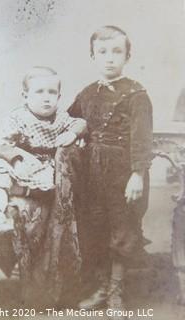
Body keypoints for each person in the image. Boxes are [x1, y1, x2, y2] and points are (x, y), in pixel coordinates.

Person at [0, 66, 86, 313]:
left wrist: (72, 134)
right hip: (17, 157)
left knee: (44, 187)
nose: (46, 97)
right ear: (25, 96)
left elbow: (81, 123)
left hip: (42, 165)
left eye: (52, 92)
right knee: (1, 176)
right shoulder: (18, 117)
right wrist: (14, 158)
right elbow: (1, 144)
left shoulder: (61, 118)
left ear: (59, 97)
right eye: (39, 91)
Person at [68, 26, 153, 316]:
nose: (109, 59)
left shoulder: (136, 94)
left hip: (122, 175)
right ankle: (102, 287)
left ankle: (117, 291)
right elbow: (69, 121)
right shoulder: (87, 93)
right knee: (95, 230)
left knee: (122, 230)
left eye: (117, 52)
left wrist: (138, 174)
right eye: (102, 52)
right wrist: (76, 133)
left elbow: (142, 139)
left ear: (128, 56)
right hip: (92, 175)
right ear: (93, 56)